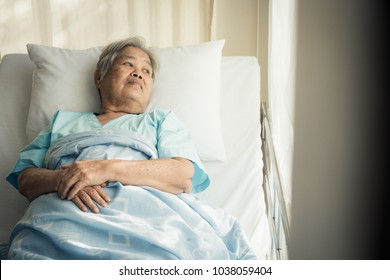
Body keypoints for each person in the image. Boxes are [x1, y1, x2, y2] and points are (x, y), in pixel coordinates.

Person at [6, 36, 209, 214]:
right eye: (128, 64)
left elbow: (182, 175)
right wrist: (69, 179)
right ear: (99, 78)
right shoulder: (62, 121)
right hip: (63, 214)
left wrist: (106, 169)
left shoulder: (160, 121)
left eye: (146, 70)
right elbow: (26, 179)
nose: (138, 73)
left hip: (142, 217)